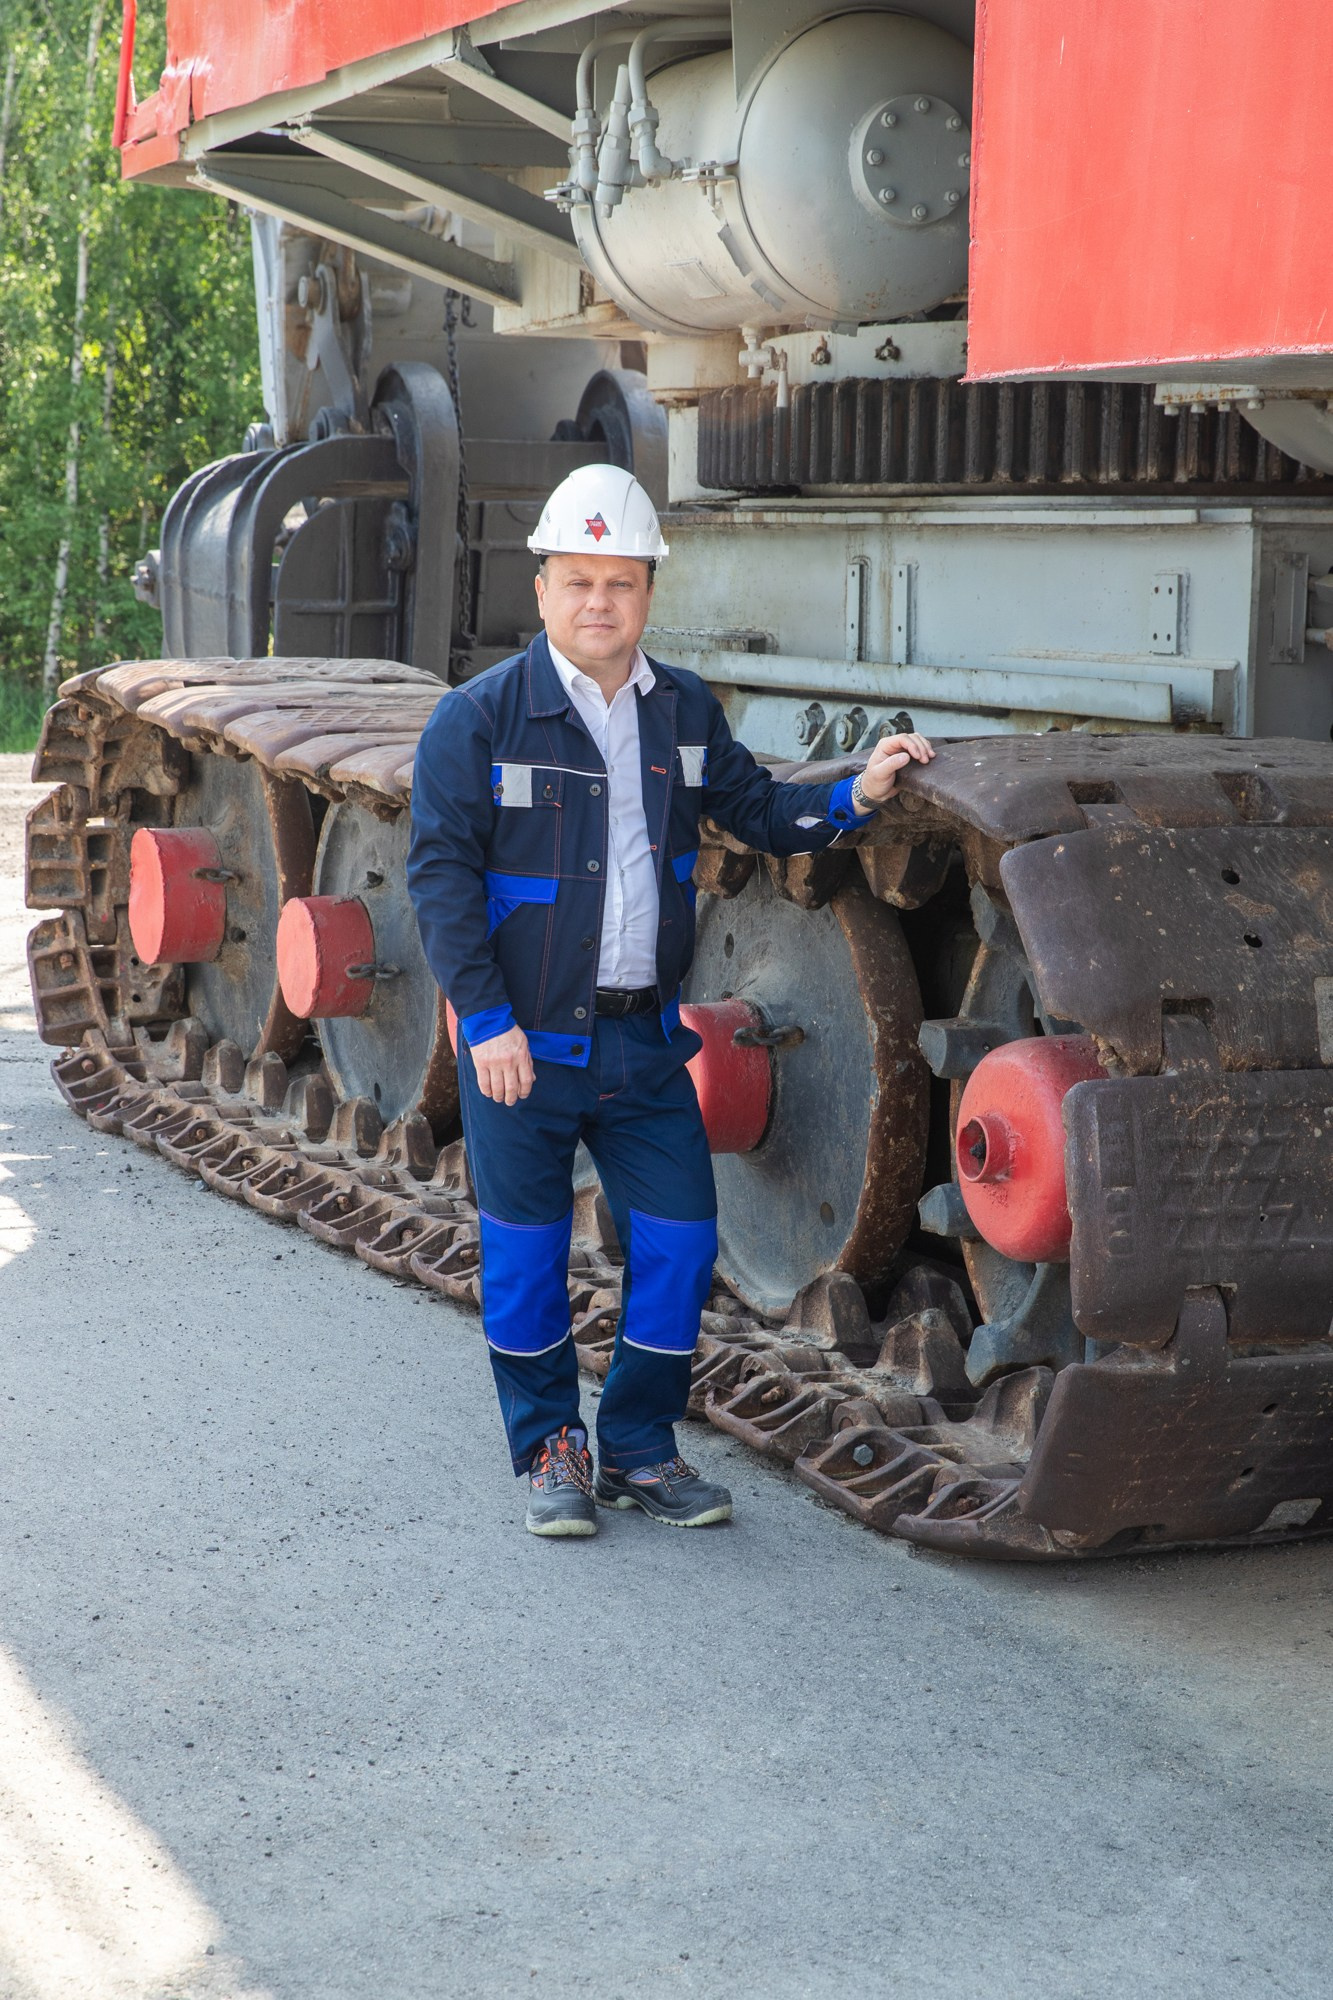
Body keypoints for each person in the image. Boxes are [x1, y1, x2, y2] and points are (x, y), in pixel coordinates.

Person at [407, 465, 934, 1539]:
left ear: (648, 589)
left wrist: (856, 792)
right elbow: (440, 880)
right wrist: (487, 1019)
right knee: (524, 1255)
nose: (599, 601)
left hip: (646, 1040)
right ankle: (552, 1443)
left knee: (683, 1246)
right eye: (578, 579)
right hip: (524, 1046)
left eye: (622, 581)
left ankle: (639, 1443)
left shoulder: (684, 710)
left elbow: (759, 812)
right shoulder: (477, 720)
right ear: (542, 584)